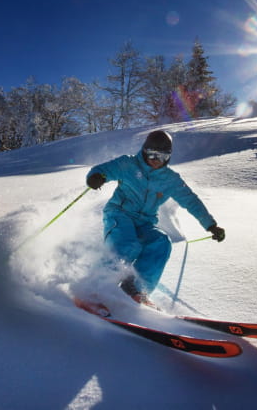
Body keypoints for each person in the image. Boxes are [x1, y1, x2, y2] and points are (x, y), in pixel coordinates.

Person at [86, 130, 225, 305]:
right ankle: (96, 288)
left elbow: (191, 201)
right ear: (145, 151)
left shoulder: (170, 179)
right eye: (152, 154)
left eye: (162, 156)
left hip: (145, 221)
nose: (156, 160)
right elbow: (102, 170)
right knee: (126, 245)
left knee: (161, 243)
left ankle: (135, 290)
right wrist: (95, 177)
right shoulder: (128, 164)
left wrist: (211, 225)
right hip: (120, 214)